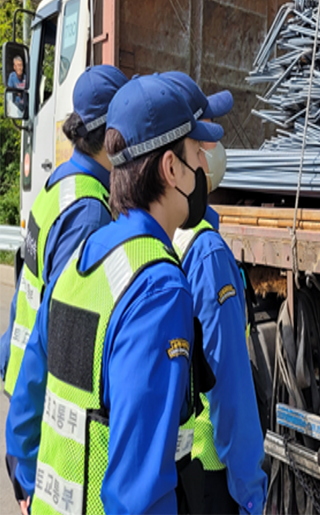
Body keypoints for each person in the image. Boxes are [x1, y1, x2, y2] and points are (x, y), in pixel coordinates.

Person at [5, 73, 221, 515]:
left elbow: (29, 393)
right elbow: (137, 490)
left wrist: (26, 480)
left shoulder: (85, 255)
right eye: (197, 152)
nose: (205, 164)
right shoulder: (157, 288)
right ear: (170, 169)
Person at [161, 71, 268, 515]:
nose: (205, 162)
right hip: (210, 472)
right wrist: (249, 489)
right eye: (199, 150)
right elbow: (230, 386)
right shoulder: (206, 252)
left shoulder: (165, 240)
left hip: (177, 469)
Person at [1, 64, 127, 398]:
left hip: (23, 377)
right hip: (42, 399)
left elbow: (25, 292)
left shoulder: (60, 182)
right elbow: (63, 328)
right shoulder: (89, 213)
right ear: (113, 134)